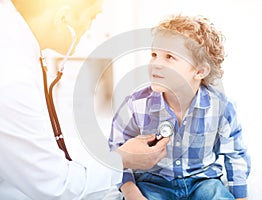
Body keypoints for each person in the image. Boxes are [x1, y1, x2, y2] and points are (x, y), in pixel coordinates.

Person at [0, 0, 169, 199]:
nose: (90, 27)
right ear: (62, 16)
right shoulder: (12, 76)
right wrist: (122, 160)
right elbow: (55, 185)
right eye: (91, 17)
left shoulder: (18, 46)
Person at [109, 14, 251, 200]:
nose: (156, 64)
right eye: (154, 55)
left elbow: (235, 155)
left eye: (169, 57)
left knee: (216, 194)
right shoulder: (135, 105)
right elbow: (116, 152)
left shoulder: (222, 108)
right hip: (153, 182)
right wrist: (131, 192)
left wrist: (241, 196)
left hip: (203, 182)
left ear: (199, 71)